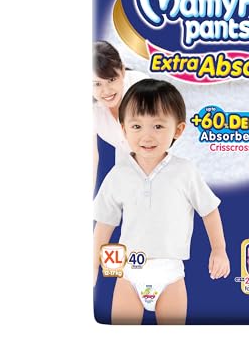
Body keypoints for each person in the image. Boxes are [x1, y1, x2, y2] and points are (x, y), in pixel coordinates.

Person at [93, 79, 230, 324]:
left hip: (170, 276)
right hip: (129, 274)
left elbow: (209, 211)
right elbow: (104, 223)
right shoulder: (119, 174)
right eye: (136, 126)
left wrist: (219, 250)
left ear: (178, 130)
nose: (147, 136)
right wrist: (93, 264)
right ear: (123, 129)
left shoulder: (185, 171)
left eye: (157, 126)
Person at [93, 41, 147, 186]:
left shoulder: (142, 89)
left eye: (111, 80)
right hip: (127, 166)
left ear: (122, 71)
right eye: (97, 84)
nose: (106, 91)